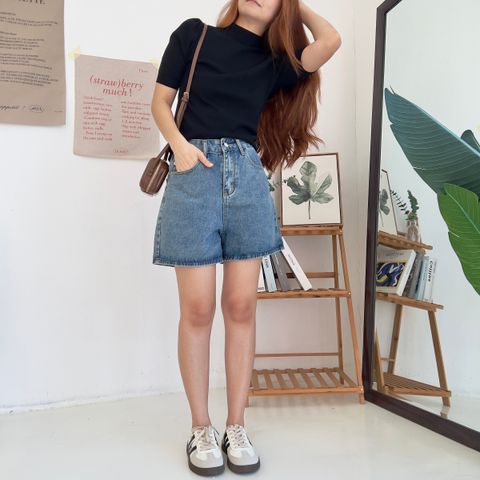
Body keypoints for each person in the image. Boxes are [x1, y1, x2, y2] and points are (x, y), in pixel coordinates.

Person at [150, 0, 341, 476]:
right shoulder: (194, 36)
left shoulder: (275, 63)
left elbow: (331, 41)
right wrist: (180, 147)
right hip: (193, 176)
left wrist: (295, 6)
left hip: (248, 182)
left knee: (241, 307)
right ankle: (200, 427)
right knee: (198, 309)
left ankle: (236, 425)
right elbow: (160, 103)